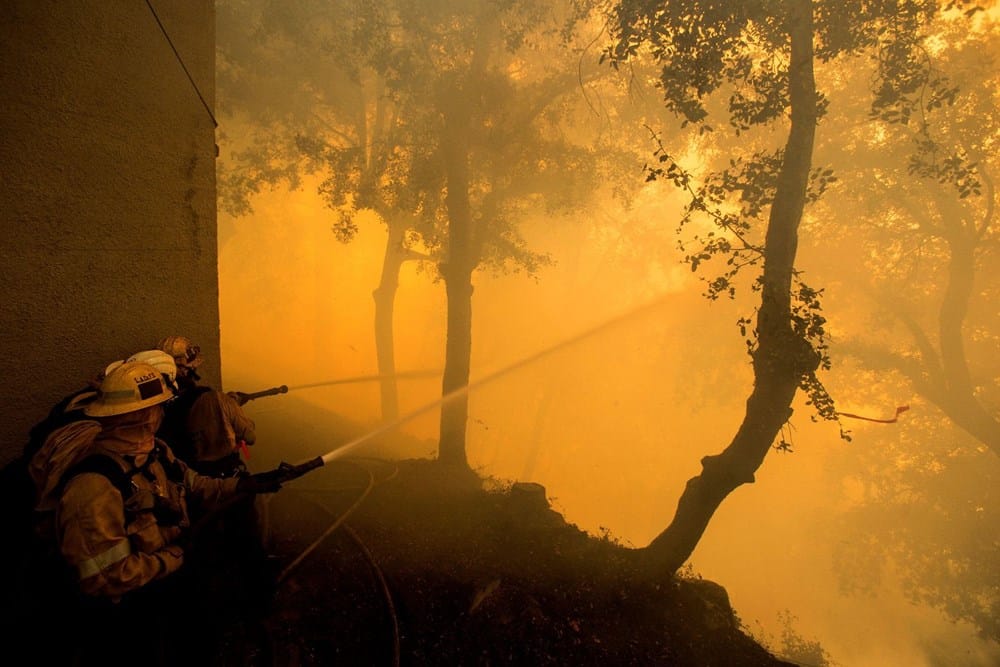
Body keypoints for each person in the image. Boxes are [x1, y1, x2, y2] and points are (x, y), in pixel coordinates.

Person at [50, 360, 283, 665]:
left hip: (171, 585)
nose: (164, 413)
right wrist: (174, 557)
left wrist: (241, 486)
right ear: (142, 415)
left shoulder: (155, 452)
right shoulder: (93, 485)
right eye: (158, 407)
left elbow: (194, 483)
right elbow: (105, 577)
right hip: (132, 614)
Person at [155, 335, 277, 611]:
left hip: (191, 487)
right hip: (228, 483)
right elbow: (250, 436)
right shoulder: (213, 398)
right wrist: (229, 407)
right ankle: (260, 601)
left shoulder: (160, 405)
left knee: (203, 545)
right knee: (247, 540)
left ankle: (203, 605)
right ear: (189, 368)